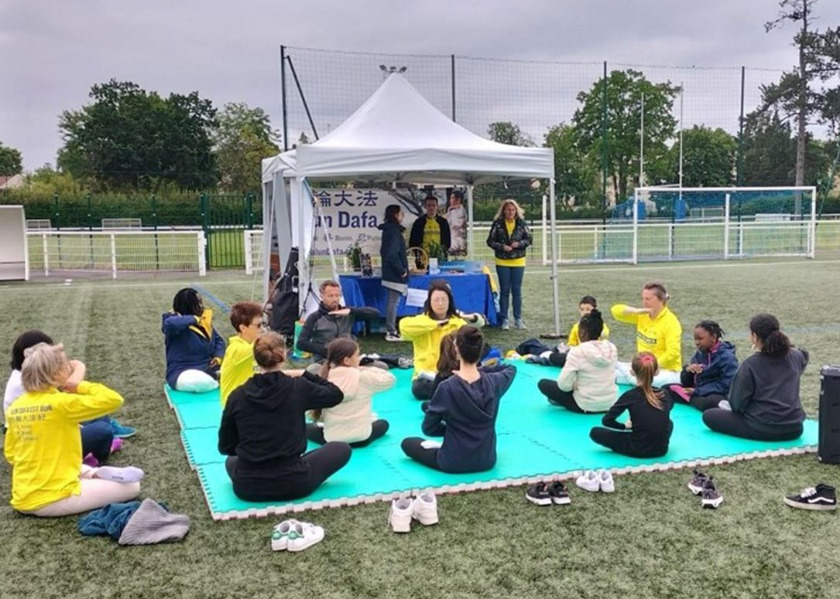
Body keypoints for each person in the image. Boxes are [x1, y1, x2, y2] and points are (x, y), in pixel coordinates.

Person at [4, 343, 143, 517]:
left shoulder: (16, 406)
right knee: (132, 488)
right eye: (66, 365)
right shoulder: (61, 403)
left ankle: (91, 473)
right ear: (55, 374)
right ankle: (91, 474)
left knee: (64, 461)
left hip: (22, 494)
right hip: (51, 499)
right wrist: (79, 385)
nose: (69, 367)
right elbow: (113, 399)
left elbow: (11, 454)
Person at [219, 332, 352, 502]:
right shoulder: (299, 387)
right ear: (283, 355)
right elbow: (335, 394)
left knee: (232, 460)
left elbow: (226, 447)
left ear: (256, 358)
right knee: (341, 448)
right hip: (294, 482)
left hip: (248, 486)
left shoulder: (237, 395)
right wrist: (305, 373)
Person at [4, 330, 130, 465]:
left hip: (43, 428)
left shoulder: (28, 377)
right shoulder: (27, 384)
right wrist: (80, 373)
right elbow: (63, 402)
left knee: (99, 416)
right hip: (44, 441)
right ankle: (94, 456)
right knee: (103, 431)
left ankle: (99, 444)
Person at [401, 326, 517, 473]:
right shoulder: (495, 382)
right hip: (487, 460)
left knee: (408, 443)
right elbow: (510, 368)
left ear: (456, 350)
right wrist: (480, 371)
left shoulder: (447, 387)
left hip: (452, 461)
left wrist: (454, 431)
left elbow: (428, 428)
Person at [702, 314, 807, 441]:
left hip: (762, 427)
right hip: (795, 428)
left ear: (755, 337)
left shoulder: (750, 365)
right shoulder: (795, 356)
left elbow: (736, 405)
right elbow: (804, 355)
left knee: (709, 415)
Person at [399, 280, 485, 400]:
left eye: (444, 300)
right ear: (429, 301)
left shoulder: (456, 322)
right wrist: (434, 324)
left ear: (450, 301)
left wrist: (468, 317)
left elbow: (480, 323)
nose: (440, 304)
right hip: (427, 375)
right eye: (436, 300)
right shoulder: (420, 321)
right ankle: (452, 394)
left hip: (452, 372)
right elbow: (403, 327)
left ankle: (445, 396)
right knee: (420, 388)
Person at [306, 338, 395, 448]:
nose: (359, 358)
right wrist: (362, 368)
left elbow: (316, 413)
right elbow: (390, 379)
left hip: (333, 440)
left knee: (305, 427)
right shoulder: (363, 377)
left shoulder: (323, 378)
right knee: (383, 424)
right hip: (362, 437)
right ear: (347, 360)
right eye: (357, 355)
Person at [589, 352, 673, 458]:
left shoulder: (630, 396)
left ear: (632, 372)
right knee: (669, 422)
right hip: (661, 449)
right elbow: (665, 412)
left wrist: (624, 427)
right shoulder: (664, 393)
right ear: (656, 372)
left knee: (595, 432)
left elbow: (607, 420)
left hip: (637, 448)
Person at [537, 309, 618, 413]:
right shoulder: (612, 348)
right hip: (610, 403)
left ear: (582, 332)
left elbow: (564, 386)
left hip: (585, 405)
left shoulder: (577, 351)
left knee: (543, 383)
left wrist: (574, 386)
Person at [297, 280, 382, 371]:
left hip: (349, 359)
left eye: (337, 295)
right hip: (325, 360)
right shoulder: (314, 317)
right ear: (322, 296)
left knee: (381, 366)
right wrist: (329, 351)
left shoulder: (348, 313)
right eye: (330, 296)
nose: (334, 299)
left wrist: (351, 311)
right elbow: (301, 343)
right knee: (312, 370)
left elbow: (375, 313)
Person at [611, 281, 682, 382]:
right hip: (642, 367)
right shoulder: (643, 315)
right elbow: (615, 311)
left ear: (661, 300)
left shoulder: (671, 322)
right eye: (643, 298)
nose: (644, 302)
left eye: (648, 299)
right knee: (610, 374)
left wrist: (650, 367)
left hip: (664, 371)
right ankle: (627, 368)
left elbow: (672, 354)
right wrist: (636, 311)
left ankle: (623, 367)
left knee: (636, 380)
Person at [162, 287, 226, 392]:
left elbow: (218, 341)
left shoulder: (204, 321)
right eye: (198, 303)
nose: (201, 306)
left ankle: (216, 378)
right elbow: (170, 324)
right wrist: (194, 319)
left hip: (208, 368)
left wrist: (217, 357)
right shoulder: (173, 322)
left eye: (201, 302)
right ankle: (217, 380)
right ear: (187, 306)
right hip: (182, 371)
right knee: (199, 381)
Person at [670, 321, 739, 412]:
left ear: (713, 338)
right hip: (697, 390)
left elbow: (726, 386)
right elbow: (686, 382)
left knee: (711, 402)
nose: (697, 342)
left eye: (700, 338)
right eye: (695, 339)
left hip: (715, 394)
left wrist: (698, 391)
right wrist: (688, 370)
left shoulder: (727, 358)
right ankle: (692, 399)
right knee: (666, 389)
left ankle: (691, 399)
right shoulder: (700, 353)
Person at [486, 198, 532, 330]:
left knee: (517, 291)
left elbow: (529, 239)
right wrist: (502, 247)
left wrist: (519, 244)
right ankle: (504, 318)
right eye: (508, 210)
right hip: (502, 261)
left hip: (518, 261)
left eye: (513, 209)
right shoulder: (498, 224)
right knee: (504, 290)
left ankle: (518, 319)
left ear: (516, 211)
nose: (511, 212)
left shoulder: (522, 223)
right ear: (504, 211)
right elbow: (490, 241)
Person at [220, 301, 264, 406]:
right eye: (258, 325)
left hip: (250, 400)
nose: (262, 329)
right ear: (243, 328)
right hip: (237, 407)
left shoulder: (249, 346)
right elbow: (268, 344)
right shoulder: (236, 349)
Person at [547, 296, 611, 367]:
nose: (585, 312)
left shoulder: (599, 324)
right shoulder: (576, 326)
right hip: (579, 354)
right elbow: (571, 344)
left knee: (553, 357)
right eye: (582, 309)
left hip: (591, 356)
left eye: (588, 309)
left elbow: (604, 334)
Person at [378, 204, 409, 342]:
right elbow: (391, 254)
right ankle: (391, 330)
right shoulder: (393, 231)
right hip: (394, 273)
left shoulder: (389, 230)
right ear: (396, 215)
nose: (403, 216)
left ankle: (390, 329)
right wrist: (401, 270)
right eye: (401, 213)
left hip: (390, 271)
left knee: (393, 301)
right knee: (393, 302)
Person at [446, 190, 468, 257]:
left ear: (458, 200)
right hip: (451, 239)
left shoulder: (461, 212)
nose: (450, 200)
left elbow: (454, 224)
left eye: (452, 198)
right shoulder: (452, 211)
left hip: (457, 240)